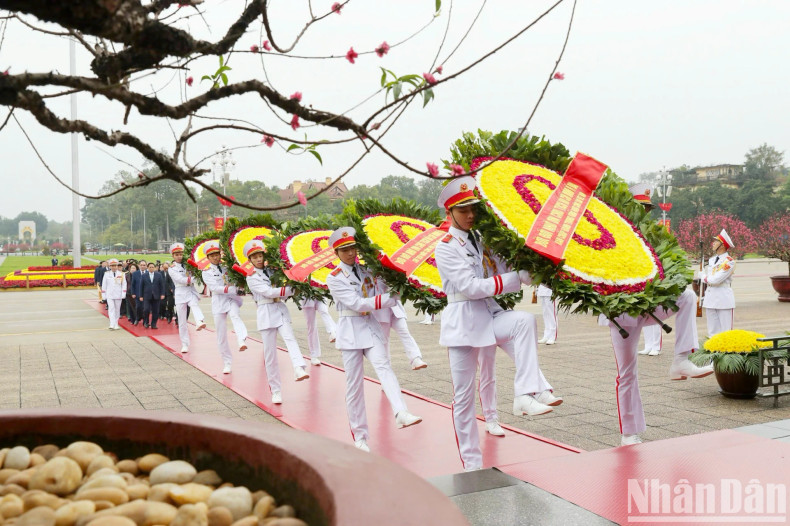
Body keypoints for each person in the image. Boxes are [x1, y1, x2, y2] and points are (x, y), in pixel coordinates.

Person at [434, 177, 557, 469]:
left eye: (473, 208)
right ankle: (471, 462)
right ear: (449, 213)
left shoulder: (480, 240)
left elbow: (503, 270)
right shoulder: (446, 247)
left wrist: (532, 267)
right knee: (463, 397)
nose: (470, 215)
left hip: (489, 315)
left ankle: (525, 394)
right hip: (463, 326)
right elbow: (472, 286)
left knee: (524, 321)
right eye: (463, 210)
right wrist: (515, 279)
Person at [602, 184, 714, 447]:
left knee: (686, 296)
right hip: (623, 313)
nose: (643, 213)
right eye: (639, 207)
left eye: (647, 208)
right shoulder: (611, 236)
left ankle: (681, 360)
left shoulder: (653, 238)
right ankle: (629, 433)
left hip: (650, 305)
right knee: (627, 373)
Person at [325, 227, 422, 452]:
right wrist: (390, 299)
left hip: (370, 327)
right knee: (354, 386)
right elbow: (358, 304)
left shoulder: (368, 269)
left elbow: (381, 286)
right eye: (345, 250)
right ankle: (360, 436)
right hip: (350, 330)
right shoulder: (335, 277)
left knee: (384, 367)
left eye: (352, 248)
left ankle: (401, 412)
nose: (350, 253)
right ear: (336, 253)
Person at [244, 240, 309, 401]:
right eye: (255, 257)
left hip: (279, 310)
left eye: (260, 255)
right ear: (250, 260)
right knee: (270, 353)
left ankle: (298, 367)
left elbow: (285, 280)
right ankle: (276, 390)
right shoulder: (251, 277)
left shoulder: (274, 270)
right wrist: (291, 290)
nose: (258, 259)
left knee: (290, 338)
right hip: (265, 312)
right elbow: (267, 292)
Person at [202, 241, 249, 374]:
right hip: (218, 302)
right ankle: (227, 362)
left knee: (235, 315)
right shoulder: (206, 272)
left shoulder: (228, 267)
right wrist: (233, 289)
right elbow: (215, 288)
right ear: (208, 258)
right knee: (221, 335)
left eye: (217, 254)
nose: (216, 257)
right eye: (212, 256)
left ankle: (241, 339)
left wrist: (240, 286)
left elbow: (237, 279)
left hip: (231, 299)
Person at [372, 278, 428, 370]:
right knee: (384, 341)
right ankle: (386, 368)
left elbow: (399, 292)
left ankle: (415, 359)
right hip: (380, 311)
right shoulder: (367, 270)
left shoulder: (391, 270)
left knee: (404, 332)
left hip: (395, 309)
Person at [168, 244, 207, 352]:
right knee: (182, 321)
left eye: (181, 254)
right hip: (180, 292)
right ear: (173, 256)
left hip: (190, 290)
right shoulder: (172, 269)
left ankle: (199, 321)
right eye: (177, 254)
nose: (179, 256)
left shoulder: (189, 264)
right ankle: (185, 344)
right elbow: (180, 279)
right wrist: (193, 279)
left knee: (194, 304)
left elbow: (197, 272)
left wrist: (197, 274)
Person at [700, 229, 736, 337]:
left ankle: (726, 352)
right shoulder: (712, 260)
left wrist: (703, 277)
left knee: (725, 332)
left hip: (723, 298)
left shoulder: (729, 261)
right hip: (711, 297)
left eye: (716, 241)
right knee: (712, 331)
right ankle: (714, 351)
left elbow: (715, 280)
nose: (713, 243)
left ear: (722, 245)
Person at [299, 297, 337, 366]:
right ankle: (314, 355)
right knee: (312, 327)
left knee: (324, 311)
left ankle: (333, 332)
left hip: (320, 293)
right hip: (307, 298)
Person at [101, 259, 127, 330]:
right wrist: (103, 295)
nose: (113, 267)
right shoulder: (106, 274)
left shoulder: (121, 274)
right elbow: (104, 285)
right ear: (110, 266)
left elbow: (124, 284)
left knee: (117, 310)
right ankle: (112, 323)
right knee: (111, 309)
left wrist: (123, 293)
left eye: (115, 265)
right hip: (109, 294)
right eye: (112, 266)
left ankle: (116, 323)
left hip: (118, 294)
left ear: (117, 266)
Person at [140, 262, 165, 329]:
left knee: (156, 311)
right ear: (147, 268)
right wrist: (141, 296)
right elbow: (141, 286)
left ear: (154, 268)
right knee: (146, 309)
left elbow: (162, 285)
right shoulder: (144, 275)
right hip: (146, 296)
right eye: (150, 267)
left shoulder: (158, 275)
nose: (151, 268)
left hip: (156, 295)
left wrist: (162, 294)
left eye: (152, 267)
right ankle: (146, 322)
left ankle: (154, 324)